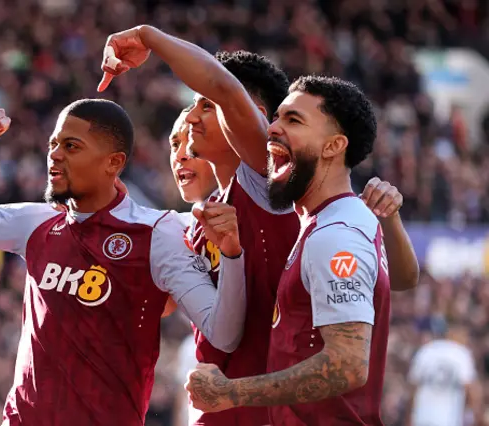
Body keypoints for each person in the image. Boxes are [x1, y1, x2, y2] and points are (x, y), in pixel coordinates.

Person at [100, 27, 418, 426]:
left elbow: (348, 364)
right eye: (174, 141)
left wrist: (150, 37)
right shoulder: (252, 215)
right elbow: (401, 279)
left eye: (204, 106)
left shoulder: (279, 197)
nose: (193, 121)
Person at [0, 99, 248, 426]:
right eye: (53, 144)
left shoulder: (158, 234)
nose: (55, 155)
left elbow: (223, 334)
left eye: (72, 146)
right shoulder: (37, 222)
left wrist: (232, 253)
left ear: (113, 163)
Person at [184, 76, 392, 425]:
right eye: (276, 117)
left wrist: (230, 393)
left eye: (293, 120)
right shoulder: (330, 221)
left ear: (333, 146)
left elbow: (348, 365)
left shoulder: (335, 235)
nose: (272, 129)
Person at [407, 324, 483, 426]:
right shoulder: (461, 354)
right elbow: (471, 392)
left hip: (421, 419)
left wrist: (408, 420)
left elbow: (412, 391)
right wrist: (477, 418)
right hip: (449, 420)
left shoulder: (425, 351)